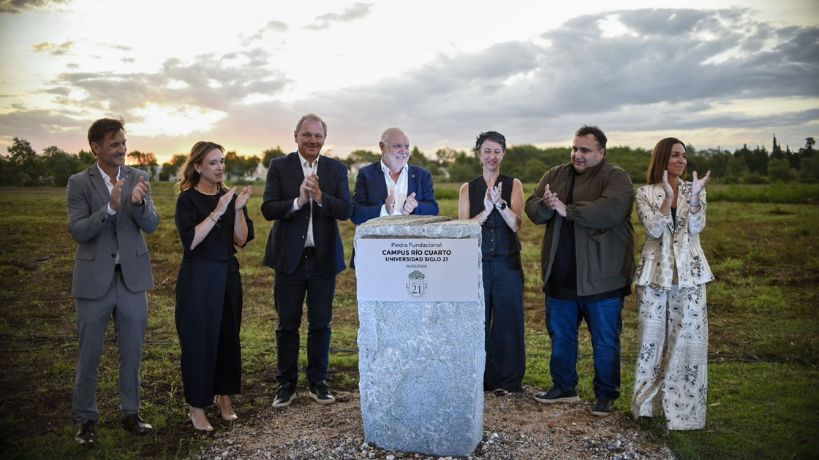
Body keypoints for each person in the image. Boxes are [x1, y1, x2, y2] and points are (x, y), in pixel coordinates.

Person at [524, 125, 634, 416]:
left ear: (601, 152)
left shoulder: (617, 177)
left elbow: (611, 210)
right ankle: (564, 387)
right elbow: (533, 207)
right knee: (561, 335)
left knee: (605, 339)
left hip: (602, 279)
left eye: (585, 150)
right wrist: (548, 206)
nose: (577, 154)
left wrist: (568, 209)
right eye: (574, 148)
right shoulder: (555, 174)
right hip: (560, 276)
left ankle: (606, 395)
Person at [67, 118, 159, 445]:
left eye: (123, 142)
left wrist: (137, 203)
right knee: (89, 353)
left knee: (132, 352)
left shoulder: (139, 177)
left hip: (132, 280)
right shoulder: (79, 182)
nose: (122, 149)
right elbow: (78, 230)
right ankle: (86, 420)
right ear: (96, 147)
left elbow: (151, 225)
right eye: (114, 144)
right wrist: (109, 207)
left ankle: (131, 414)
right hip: (94, 282)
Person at [261, 113, 351, 408]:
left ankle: (318, 381)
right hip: (290, 260)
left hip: (323, 259)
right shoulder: (279, 166)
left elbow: (344, 210)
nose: (313, 140)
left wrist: (320, 196)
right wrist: (299, 201)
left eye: (318, 135)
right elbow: (268, 208)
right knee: (287, 323)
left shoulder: (336, 169)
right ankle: (286, 384)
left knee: (321, 323)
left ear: (324, 138)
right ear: (296, 136)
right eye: (307, 134)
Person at [631, 138, 713, 430]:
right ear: (663, 158)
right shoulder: (644, 192)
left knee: (686, 342)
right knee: (650, 343)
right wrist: (667, 197)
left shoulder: (696, 191)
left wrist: (692, 199)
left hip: (690, 276)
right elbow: (653, 229)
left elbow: (696, 227)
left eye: (685, 156)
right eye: (676, 155)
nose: (682, 160)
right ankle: (647, 409)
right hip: (655, 275)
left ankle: (684, 414)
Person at [174, 141, 254, 431]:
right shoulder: (187, 200)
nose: (220, 167)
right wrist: (218, 210)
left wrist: (238, 210)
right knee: (198, 340)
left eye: (222, 161)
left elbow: (241, 240)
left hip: (227, 274)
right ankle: (197, 407)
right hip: (198, 278)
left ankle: (224, 399)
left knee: (227, 337)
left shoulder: (230, 197)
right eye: (213, 162)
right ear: (197, 167)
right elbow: (191, 241)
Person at [458, 131, 525, 395]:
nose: (492, 156)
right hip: (478, 265)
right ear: (478, 153)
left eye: (497, 151)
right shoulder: (467, 188)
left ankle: (509, 381)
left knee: (509, 320)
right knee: (478, 321)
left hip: (508, 264)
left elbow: (517, 225)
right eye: (487, 151)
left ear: (503, 154)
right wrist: (485, 211)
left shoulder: (514, 184)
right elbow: (463, 229)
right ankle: (481, 379)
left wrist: (500, 204)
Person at [351, 127, 438, 225]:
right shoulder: (366, 174)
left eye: (406, 146)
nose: (403, 151)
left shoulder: (422, 175)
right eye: (397, 146)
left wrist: (415, 207)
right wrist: (385, 210)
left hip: (413, 239)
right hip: (379, 239)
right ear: (382, 147)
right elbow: (356, 214)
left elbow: (434, 209)